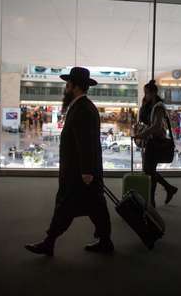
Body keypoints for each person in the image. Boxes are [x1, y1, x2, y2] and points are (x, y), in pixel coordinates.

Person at [25, 67, 113, 257]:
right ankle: (105, 241)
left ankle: (49, 243)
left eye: (68, 84)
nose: (65, 88)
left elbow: (86, 142)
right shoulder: (82, 106)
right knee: (95, 206)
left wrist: (87, 171)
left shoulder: (83, 109)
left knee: (67, 206)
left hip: (79, 172)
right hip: (82, 171)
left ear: (74, 86)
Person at [135, 80, 178, 207]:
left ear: (153, 93)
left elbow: (156, 126)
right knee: (149, 170)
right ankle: (166, 190)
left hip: (155, 142)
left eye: (147, 93)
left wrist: (141, 134)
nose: (145, 96)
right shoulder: (150, 105)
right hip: (151, 141)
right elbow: (146, 121)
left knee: (149, 170)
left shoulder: (158, 106)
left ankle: (153, 200)